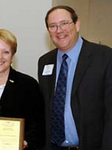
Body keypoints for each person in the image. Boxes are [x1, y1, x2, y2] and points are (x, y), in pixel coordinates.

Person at [38, 5, 112, 150]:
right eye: (53, 26)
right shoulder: (44, 61)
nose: (59, 30)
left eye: (64, 23)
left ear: (77, 24)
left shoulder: (104, 57)